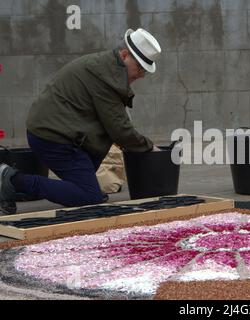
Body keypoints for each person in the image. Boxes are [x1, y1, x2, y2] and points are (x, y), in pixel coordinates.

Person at [0, 28, 162, 215]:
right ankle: (10, 180)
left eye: (145, 71)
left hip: (61, 132)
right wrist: (149, 147)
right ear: (125, 55)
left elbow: (115, 126)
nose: (141, 75)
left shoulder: (107, 68)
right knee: (89, 197)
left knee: (88, 182)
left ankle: (13, 189)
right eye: (140, 67)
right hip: (52, 136)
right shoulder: (107, 77)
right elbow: (120, 130)